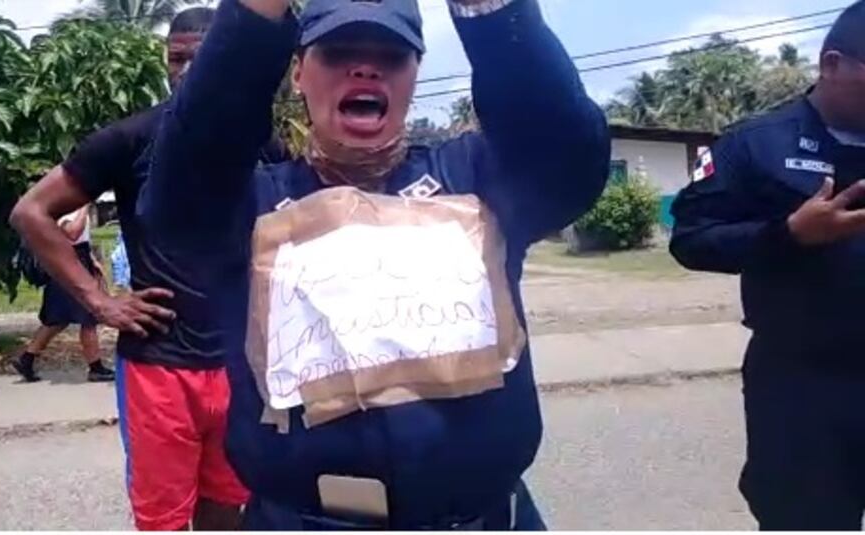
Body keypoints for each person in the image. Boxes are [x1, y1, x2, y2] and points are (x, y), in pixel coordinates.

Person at [137, 0, 609, 529]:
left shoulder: (475, 178)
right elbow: (178, 196)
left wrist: (492, 13)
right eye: (337, 52)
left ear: (414, 75)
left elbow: (567, 155)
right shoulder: (248, 206)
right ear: (297, 73)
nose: (365, 68)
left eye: (392, 55)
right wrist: (254, 17)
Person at [10, 8, 291, 530]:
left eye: (200, 59)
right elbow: (31, 212)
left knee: (228, 509)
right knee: (162, 520)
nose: (185, 70)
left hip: (240, 364)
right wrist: (98, 300)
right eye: (176, 58)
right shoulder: (130, 139)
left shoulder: (263, 145)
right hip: (159, 365)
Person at [669, 3, 865, 529]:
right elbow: (691, 239)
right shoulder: (755, 144)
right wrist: (789, 236)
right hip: (803, 385)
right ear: (832, 64)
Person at [11, 204, 116, 383]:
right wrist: (84, 208)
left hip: (76, 259)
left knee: (58, 319)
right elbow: (72, 233)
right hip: (70, 263)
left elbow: (81, 241)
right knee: (88, 317)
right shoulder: (68, 209)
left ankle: (27, 358)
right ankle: (96, 367)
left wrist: (92, 260)